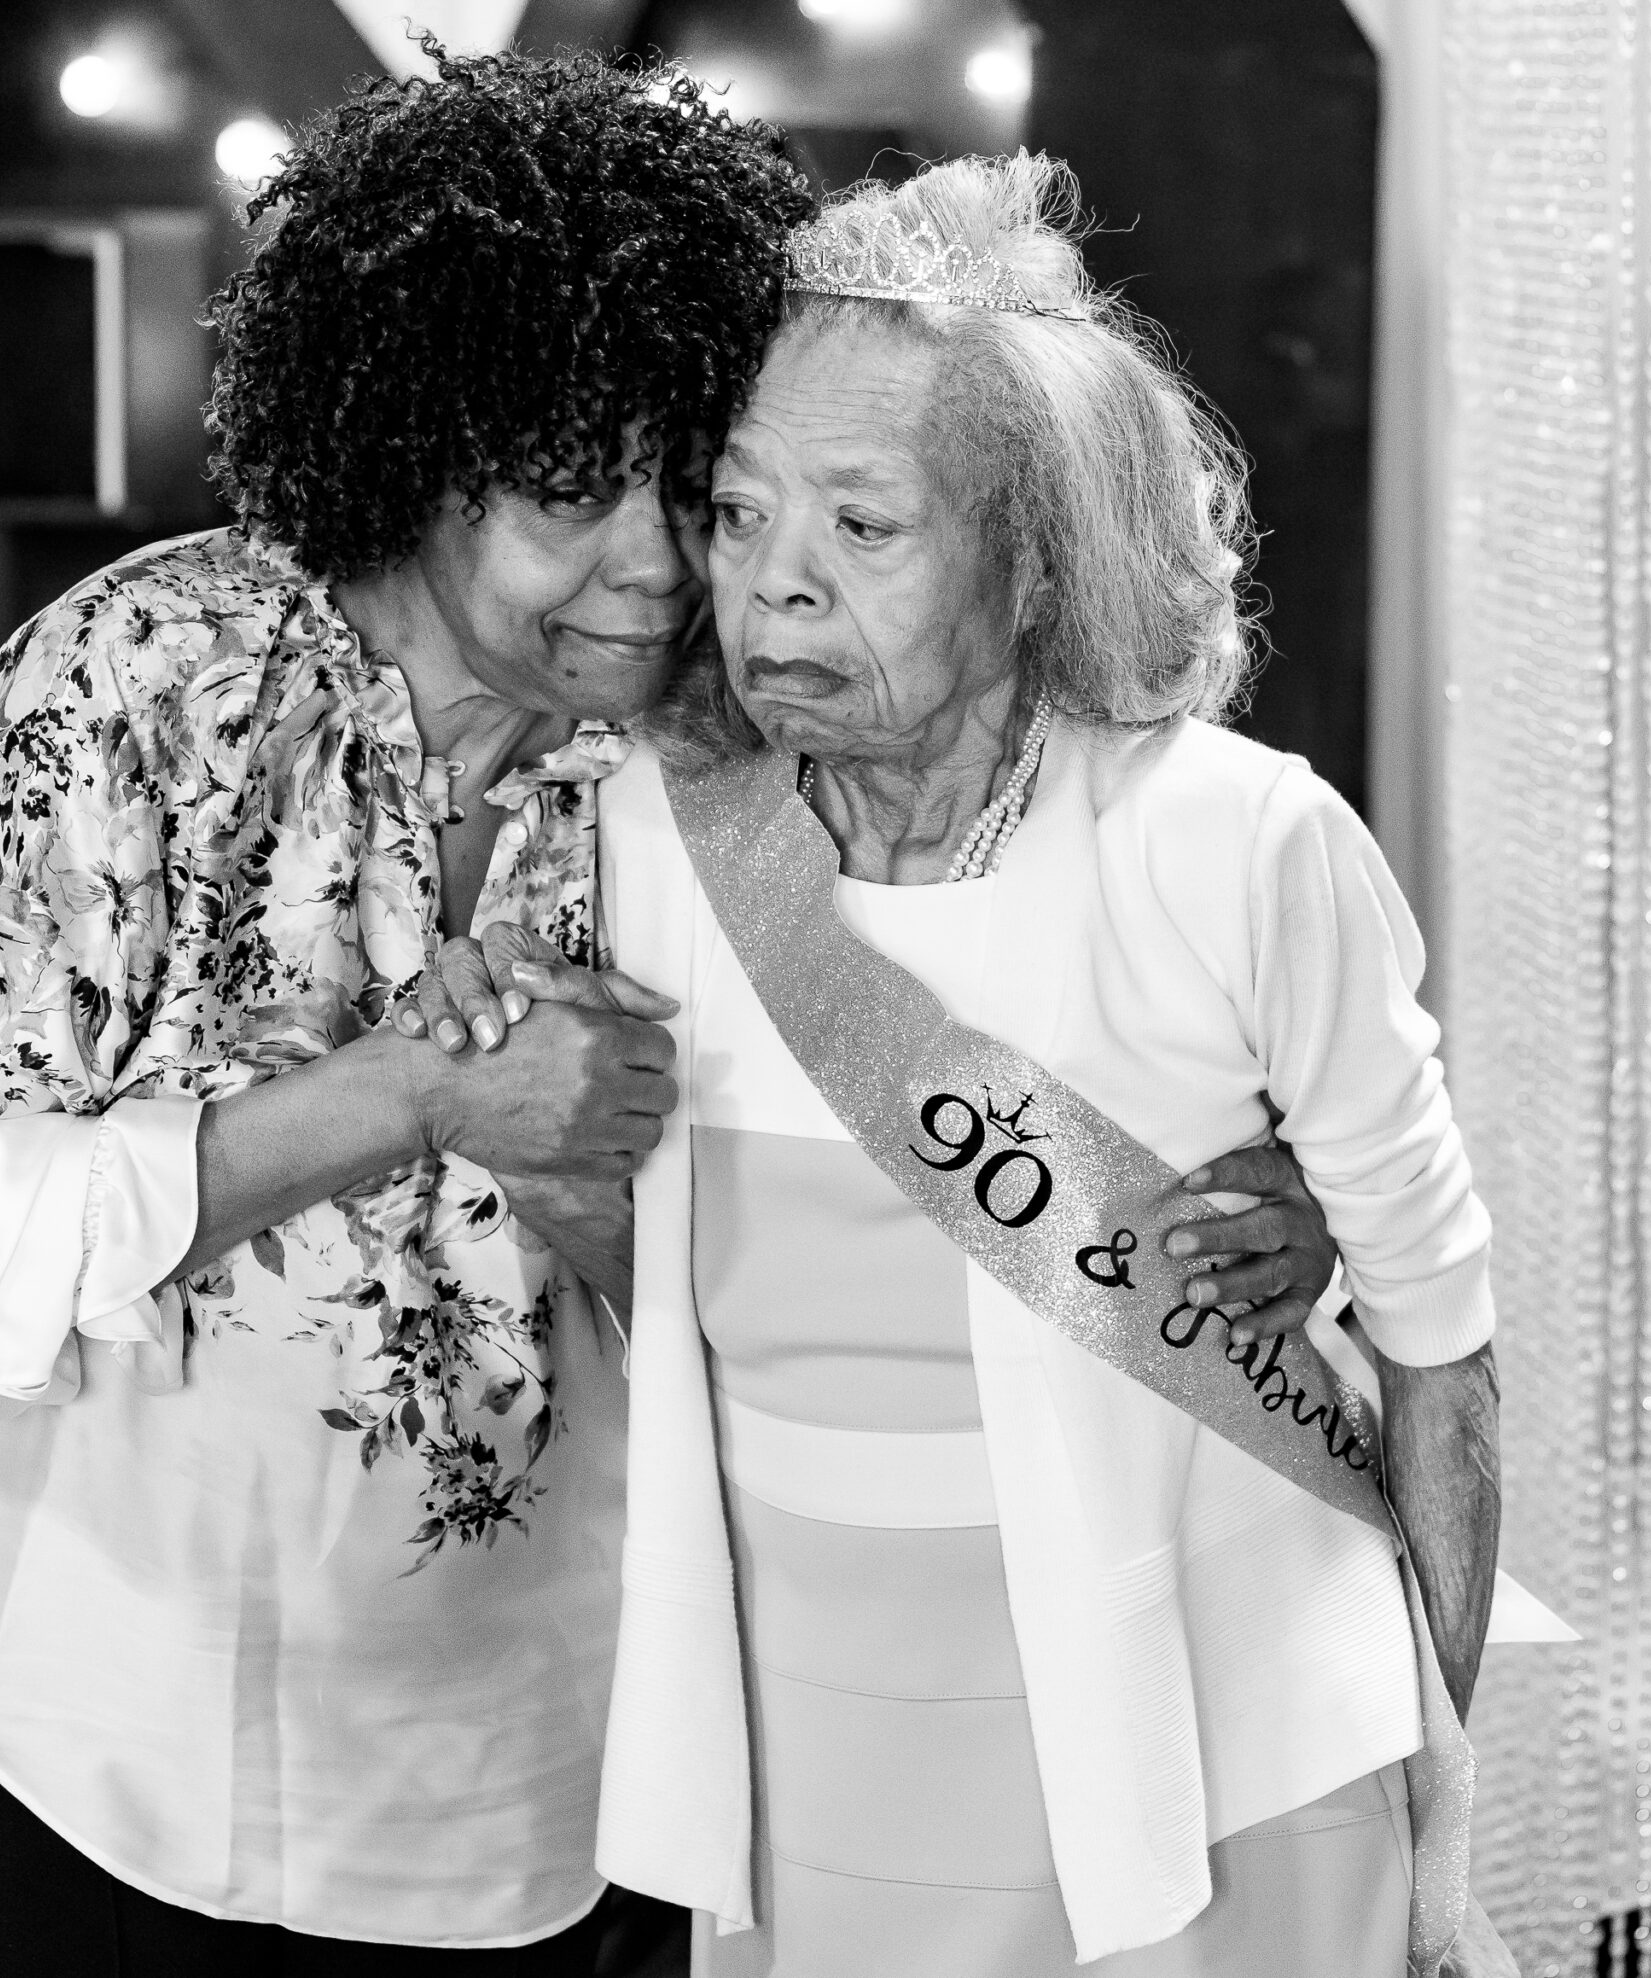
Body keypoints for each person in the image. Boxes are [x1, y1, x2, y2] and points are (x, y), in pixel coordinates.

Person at [0, 56, 1342, 1977]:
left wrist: (1246, 1213)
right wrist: (409, 1096)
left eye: (682, 490)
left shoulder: (734, 753)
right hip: (77, 1742)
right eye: (561, 496)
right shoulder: (143, 687)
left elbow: (966, 1124)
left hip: (541, 1793)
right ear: (411, 447)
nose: (646, 574)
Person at [456, 155, 1507, 1976]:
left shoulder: (1237, 847)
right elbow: (677, 1295)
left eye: (863, 529)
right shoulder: (649, 840)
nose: (772, 589)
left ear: (1033, 558)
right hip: (821, 1774)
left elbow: (1444, 1364)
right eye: (738, 510)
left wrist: (1451, 1833)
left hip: (1220, 1760)